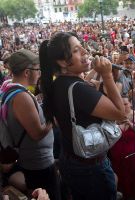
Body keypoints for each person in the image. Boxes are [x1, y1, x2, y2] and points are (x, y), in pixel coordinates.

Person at [39, 32, 126, 200]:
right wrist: (107, 74)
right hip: (90, 168)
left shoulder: (58, 84)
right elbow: (120, 113)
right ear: (63, 62)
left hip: (71, 159)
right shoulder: (78, 90)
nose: (86, 52)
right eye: (77, 50)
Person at [0, 49, 60, 200]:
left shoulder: (8, 86)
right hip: (38, 163)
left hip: (33, 159)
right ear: (27, 72)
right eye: (37, 69)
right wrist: (52, 117)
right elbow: (36, 133)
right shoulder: (21, 97)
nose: (39, 73)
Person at [110, 97, 135, 200]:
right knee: (120, 175)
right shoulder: (114, 116)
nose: (123, 106)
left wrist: (130, 123)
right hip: (117, 154)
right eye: (121, 104)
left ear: (130, 104)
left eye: (125, 104)